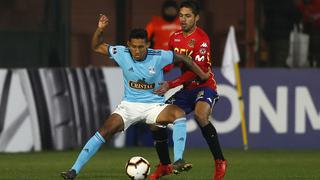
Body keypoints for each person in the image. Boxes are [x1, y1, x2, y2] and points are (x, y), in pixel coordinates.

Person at [60, 14, 209, 180]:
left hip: (154, 107)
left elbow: (185, 59)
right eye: (134, 47)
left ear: (147, 44)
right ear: (128, 45)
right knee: (104, 130)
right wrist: (100, 29)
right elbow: (96, 46)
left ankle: (179, 160)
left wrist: (202, 74)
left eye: (141, 47)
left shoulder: (159, 56)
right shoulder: (121, 53)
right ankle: (73, 170)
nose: (137, 51)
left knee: (178, 114)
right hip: (129, 106)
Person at [149, 1, 227, 180]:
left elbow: (195, 72)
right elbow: (169, 62)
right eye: (181, 15)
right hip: (186, 90)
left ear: (196, 17)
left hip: (204, 86)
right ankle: (165, 165)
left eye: (188, 16)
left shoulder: (202, 39)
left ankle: (220, 161)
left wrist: (171, 84)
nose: (183, 19)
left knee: (201, 116)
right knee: (155, 120)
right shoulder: (174, 37)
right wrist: (155, 69)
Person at [296, 0, 320, 67]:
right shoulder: (304, 3)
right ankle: (311, 61)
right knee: (310, 46)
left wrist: (313, 18)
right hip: (308, 27)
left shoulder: (317, 2)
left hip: (316, 27)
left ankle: (315, 62)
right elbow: (302, 11)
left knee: (315, 46)